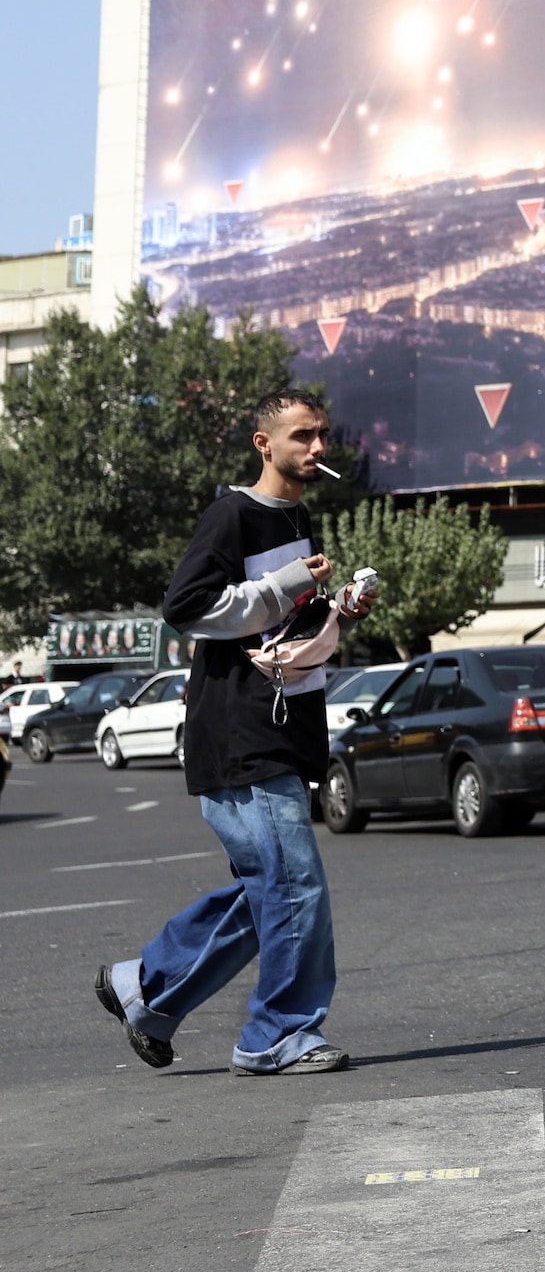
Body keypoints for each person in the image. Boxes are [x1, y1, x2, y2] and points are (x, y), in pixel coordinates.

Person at [95, 388, 376, 1075]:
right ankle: (275, 1033)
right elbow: (186, 608)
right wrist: (286, 583)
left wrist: (340, 609)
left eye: (323, 436)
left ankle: (147, 988)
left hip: (283, 727)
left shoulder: (299, 518)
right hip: (238, 732)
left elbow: (281, 628)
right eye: (303, 436)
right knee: (292, 887)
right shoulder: (232, 514)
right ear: (264, 443)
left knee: (267, 891)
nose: (317, 448)